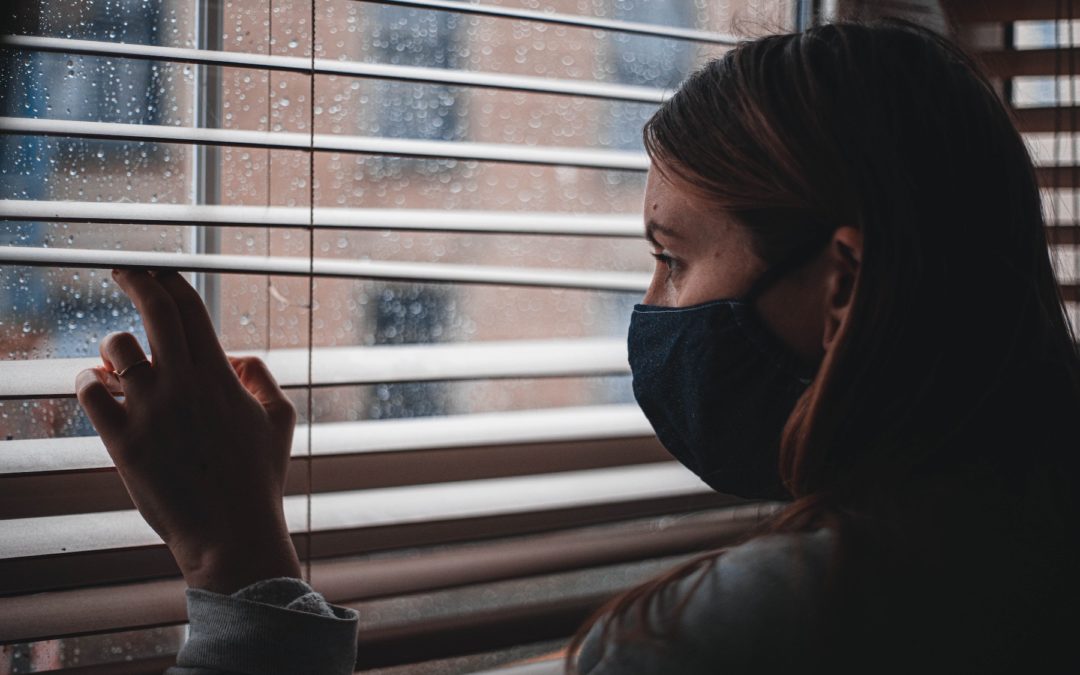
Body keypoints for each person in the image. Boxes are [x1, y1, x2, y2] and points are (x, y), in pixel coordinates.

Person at [74, 19, 1080, 675]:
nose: (653, 309)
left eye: (673, 259)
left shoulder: (755, 632)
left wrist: (230, 553)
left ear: (842, 287)